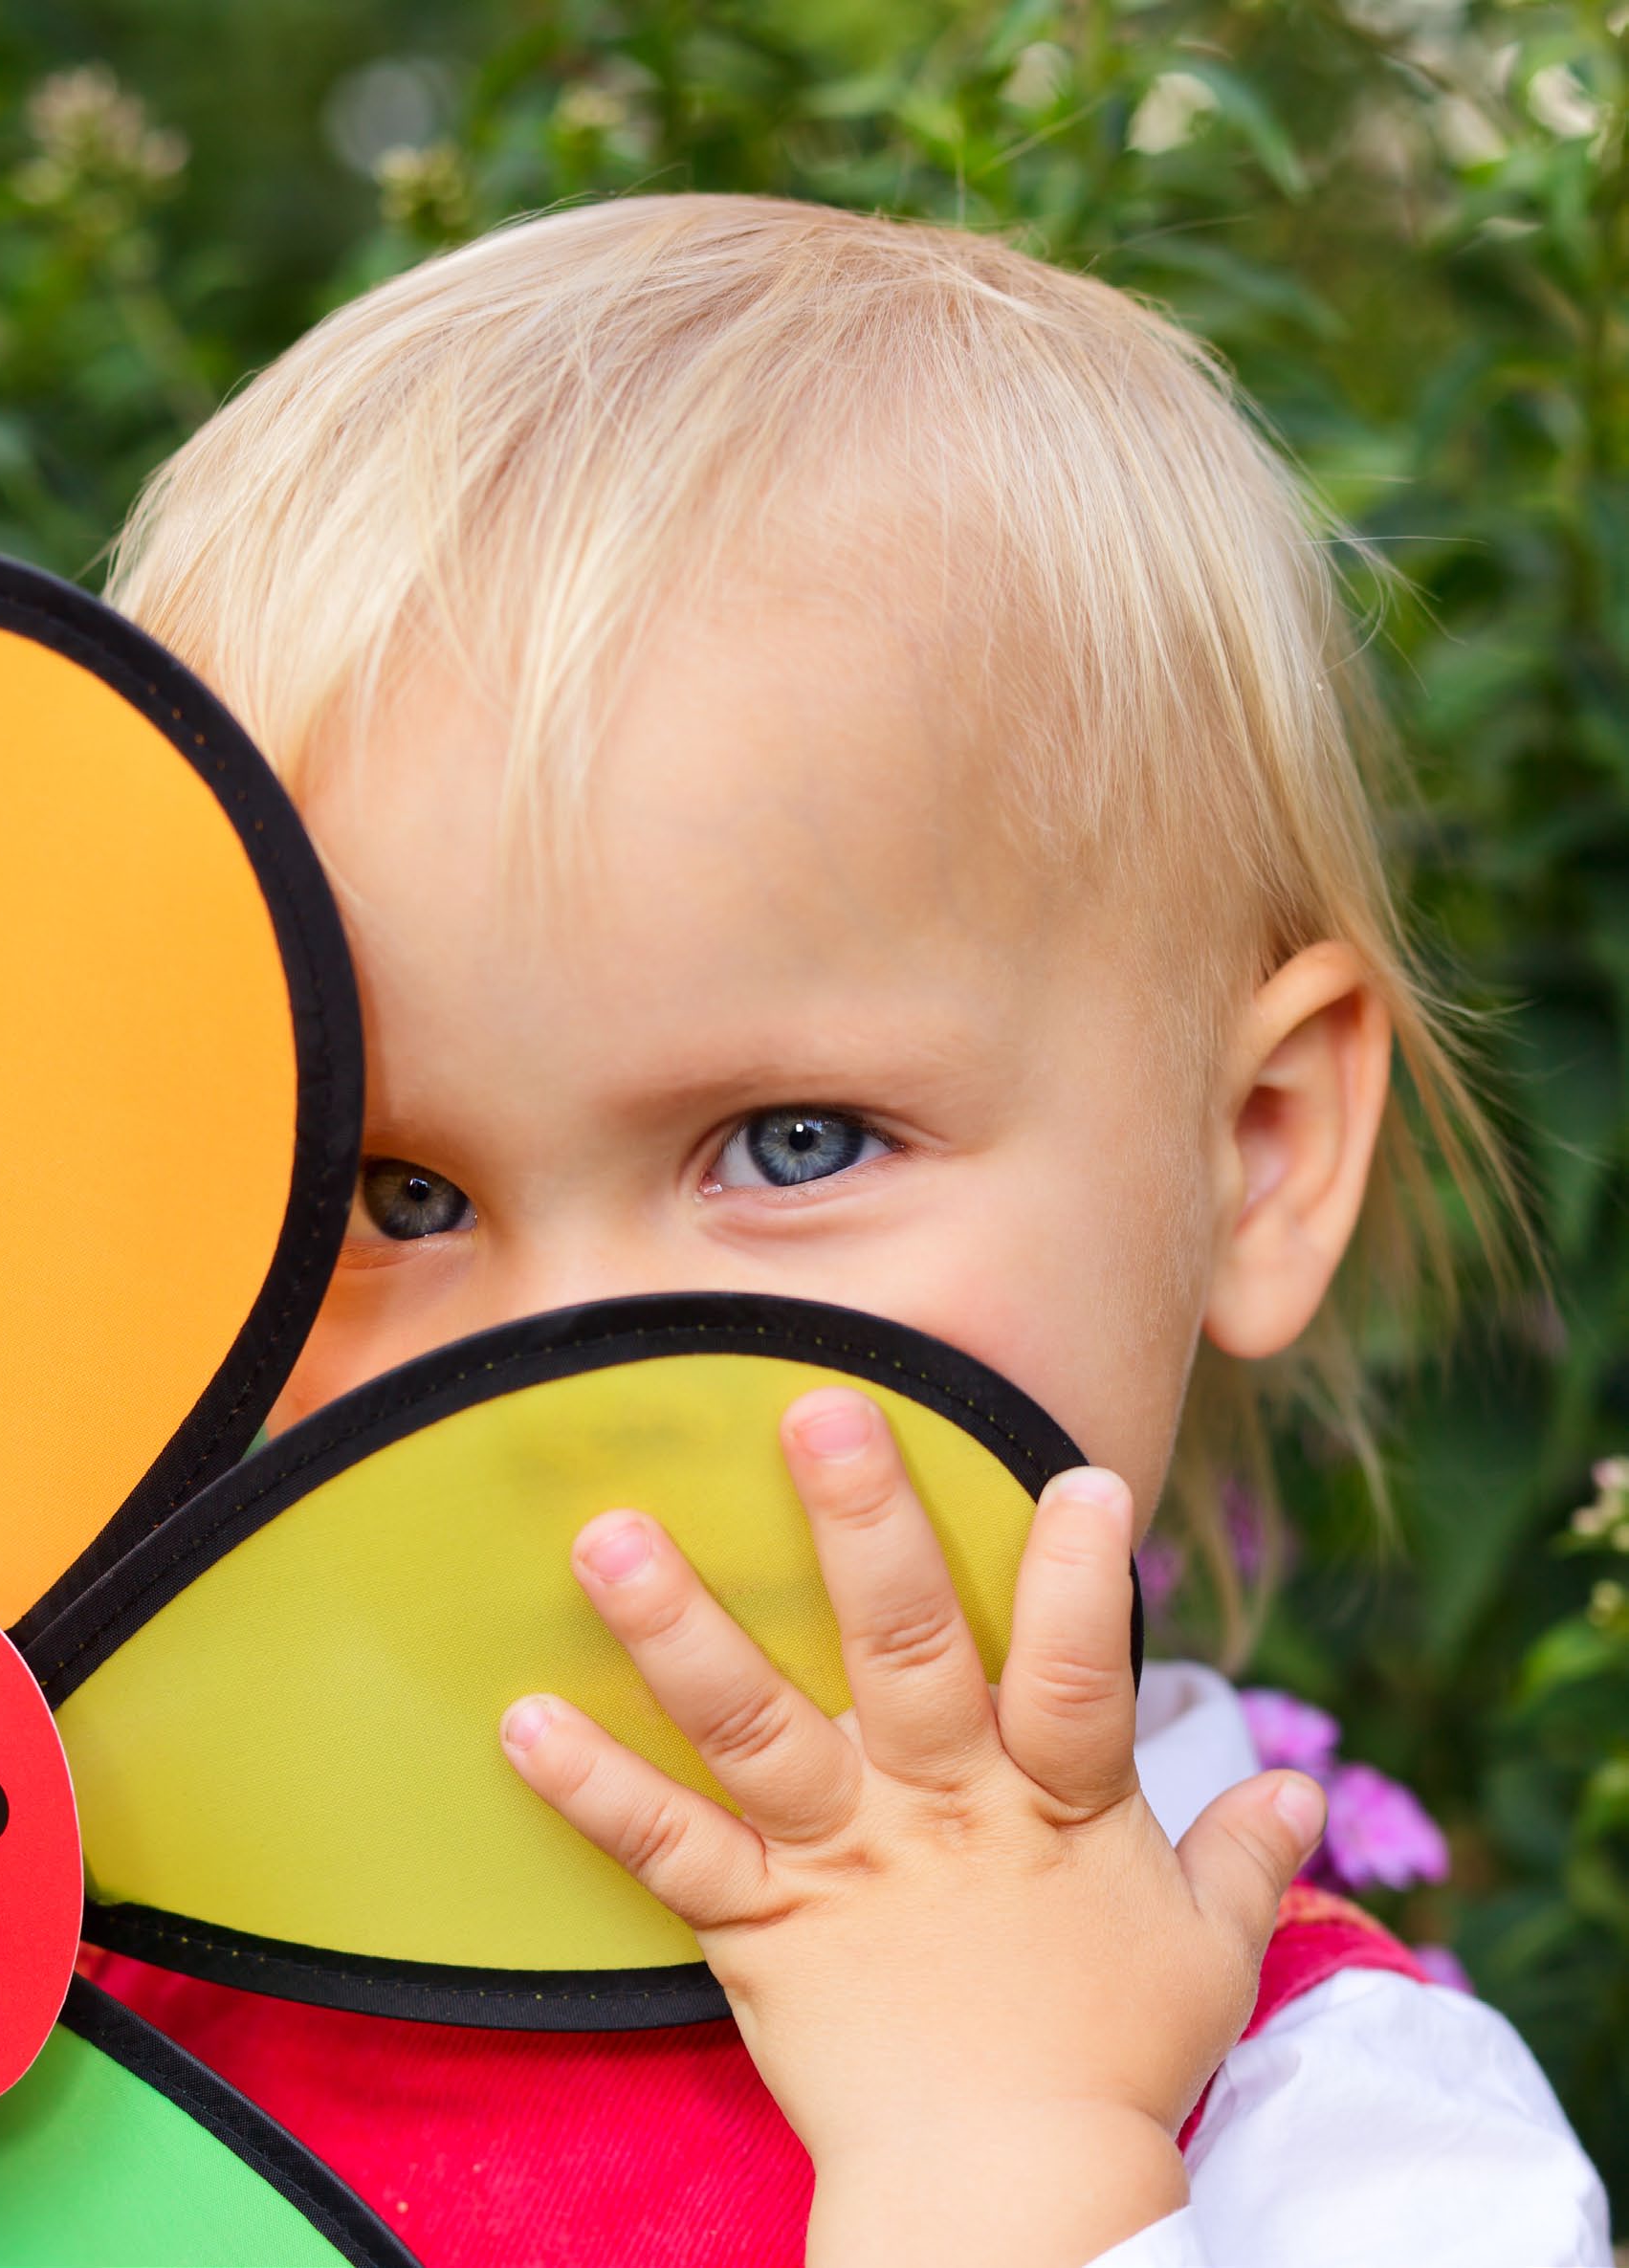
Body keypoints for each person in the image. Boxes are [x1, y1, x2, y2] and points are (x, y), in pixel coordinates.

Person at [89, 194, 1611, 2265]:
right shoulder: (81, 1980)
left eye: (793, 1143)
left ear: (1252, 1145)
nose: (565, 1372)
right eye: (395, 1195)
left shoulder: (1330, 2142)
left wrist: (1018, 2162)